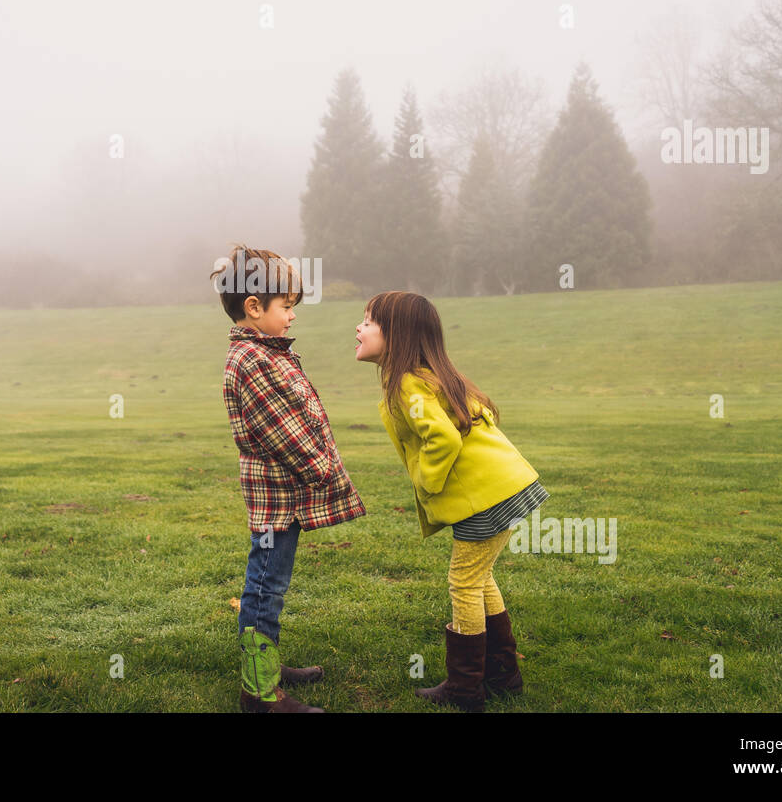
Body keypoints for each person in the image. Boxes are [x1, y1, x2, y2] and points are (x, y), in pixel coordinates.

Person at [356, 290, 547, 711]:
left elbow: (440, 437)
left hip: (486, 497)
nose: (358, 327)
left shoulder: (409, 384)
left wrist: (427, 480)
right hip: (505, 488)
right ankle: (503, 676)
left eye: (369, 321)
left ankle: (465, 690)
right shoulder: (429, 376)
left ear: (397, 334)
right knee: (480, 578)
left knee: (463, 582)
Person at [212, 244, 366, 713]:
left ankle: (268, 666)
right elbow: (284, 432)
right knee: (263, 589)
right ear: (254, 308)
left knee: (271, 585)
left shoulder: (266, 352)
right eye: (286, 306)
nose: (292, 316)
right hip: (275, 502)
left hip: (285, 500)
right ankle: (259, 691)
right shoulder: (252, 361)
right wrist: (322, 469)